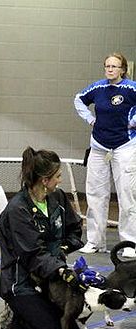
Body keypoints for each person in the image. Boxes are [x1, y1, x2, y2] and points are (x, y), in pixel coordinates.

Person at [0, 147, 85, 329]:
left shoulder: (58, 197)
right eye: (58, 176)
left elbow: (75, 229)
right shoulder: (18, 209)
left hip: (51, 278)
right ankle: (12, 319)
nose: (60, 180)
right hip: (21, 281)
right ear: (45, 180)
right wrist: (61, 269)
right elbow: (33, 254)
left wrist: (64, 248)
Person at [74, 52, 136, 257]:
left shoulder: (130, 88)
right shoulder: (97, 87)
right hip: (99, 146)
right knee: (95, 194)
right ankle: (95, 241)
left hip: (125, 146)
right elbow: (78, 100)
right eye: (107, 66)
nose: (110, 69)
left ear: (123, 69)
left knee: (127, 195)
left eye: (114, 66)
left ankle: (129, 243)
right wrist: (90, 119)